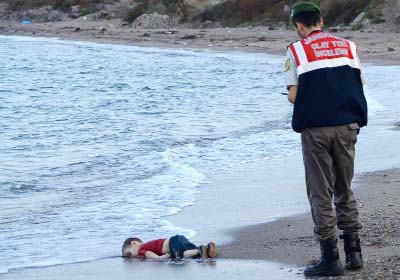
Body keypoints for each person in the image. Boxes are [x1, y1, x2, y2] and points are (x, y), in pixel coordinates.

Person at [285, 2, 368, 277]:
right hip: (347, 126)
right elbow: (359, 83)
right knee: (345, 187)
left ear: (299, 25)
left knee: (320, 192)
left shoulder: (296, 49)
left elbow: (294, 96)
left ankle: (330, 258)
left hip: (317, 130)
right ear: (320, 20)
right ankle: (354, 253)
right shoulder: (349, 46)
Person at [121, 235, 217, 260]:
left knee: (182, 255)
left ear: (134, 243)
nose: (131, 257)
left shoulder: (141, 248)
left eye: (129, 254)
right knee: (190, 250)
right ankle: (206, 249)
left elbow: (147, 253)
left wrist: (158, 258)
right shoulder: (148, 244)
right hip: (177, 239)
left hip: (172, 243)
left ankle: (200, 250)